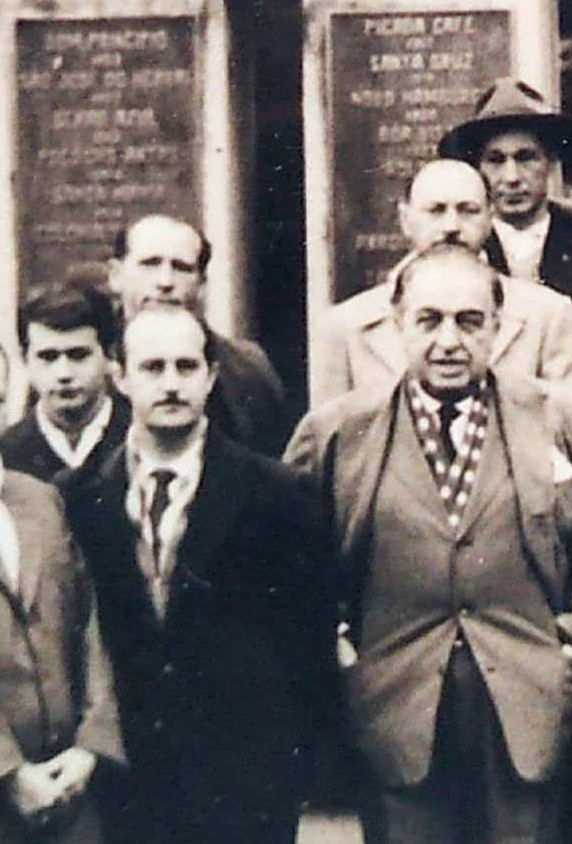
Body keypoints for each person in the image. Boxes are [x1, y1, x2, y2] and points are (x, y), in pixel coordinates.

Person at [285, 245, 572, 844]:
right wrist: (340, 650)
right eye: (429, 320)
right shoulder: (337, 433)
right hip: (393, 707)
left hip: (528, 705)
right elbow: (291, 566)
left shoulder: (561, 421)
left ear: (497, 329)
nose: (449, 340)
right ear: (396, 324)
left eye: (469, 321)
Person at [63, 306, 331, 844]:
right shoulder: (80, 497)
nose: (171, 385)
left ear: (210, 377)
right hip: (127, 785)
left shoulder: (278, 494)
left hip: (244, 787)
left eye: (186, 367)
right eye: (153, 368)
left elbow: (309, 643)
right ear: (119, 377)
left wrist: (289, 769)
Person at [311, 158, 572, 406]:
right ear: (405, 220)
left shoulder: (547, 316)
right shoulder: (344, 328)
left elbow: (565, 432)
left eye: (468, 211)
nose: (451, 225)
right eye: (436, 211)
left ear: (489, 219)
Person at [438, 78, 572, 330]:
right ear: (478, 168)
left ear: (551, 162)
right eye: (496, 160)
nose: (511, 177)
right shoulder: (461, 237)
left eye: (526, 158)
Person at [0, 454, 123, 844]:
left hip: (71, 790)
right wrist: (9, 772)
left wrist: (92, 744)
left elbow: (90, 624)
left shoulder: (42, 499)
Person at [108, 214, 287, 455]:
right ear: (116, 275)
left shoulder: (246, 368)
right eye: (150, 264)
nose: (165, 281)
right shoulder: (80, 358)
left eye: (182, 268)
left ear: (202, 283)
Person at [2, 279, 128, 483]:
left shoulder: (139, 437)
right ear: (26, 361)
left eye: (78, 355)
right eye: (48, 357)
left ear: (108, 356)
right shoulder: (7, 454)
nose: (64, 374)